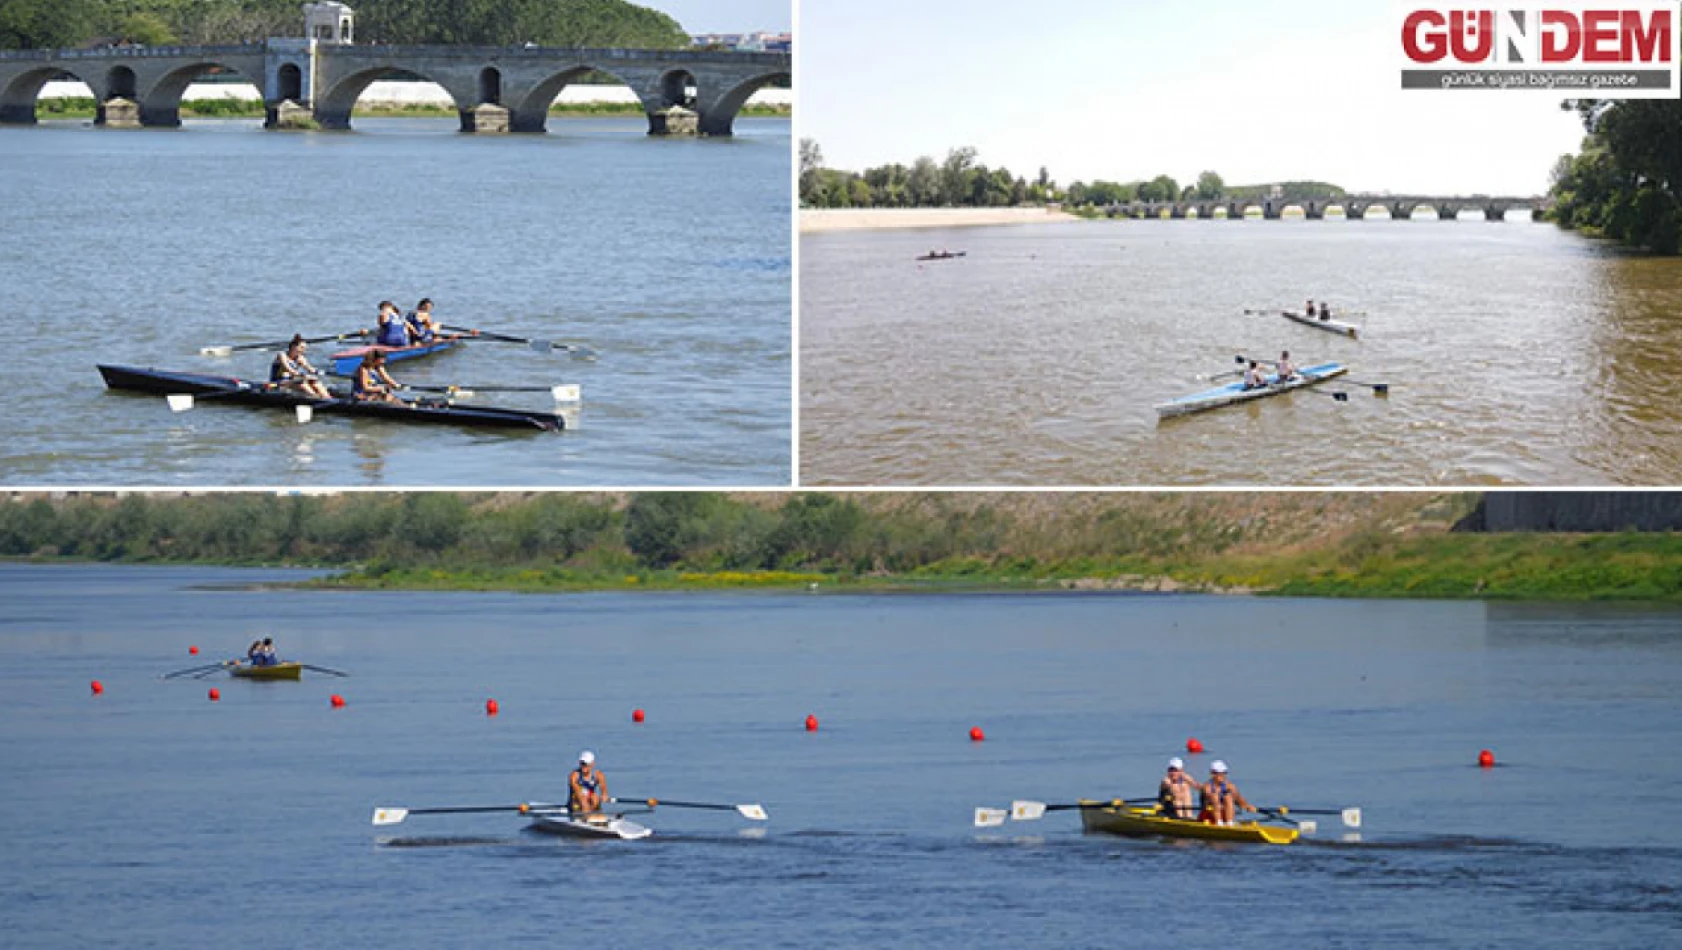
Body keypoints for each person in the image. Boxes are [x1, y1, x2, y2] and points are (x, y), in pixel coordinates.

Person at [269, 335, 331, 399]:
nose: (303, 350)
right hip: (278, 382)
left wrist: (316, 371)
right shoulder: (282, 355)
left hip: (292, 381)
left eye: (304, 348)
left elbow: (309, 368)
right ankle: (316, 398)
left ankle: (328, 398)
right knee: (302, 383)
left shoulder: (300, 358)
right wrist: (303, 376)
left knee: (315, 382)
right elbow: (288, 369)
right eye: (301, 347)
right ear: (293, 347)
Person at [1200, 760, 1255, 826]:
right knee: (1215, 796)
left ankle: (1229, 823)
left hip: (1224, 815)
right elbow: (1211, 798)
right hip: (1208, 815)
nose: (1222, 775)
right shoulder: (1207, 787)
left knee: (1228, 797)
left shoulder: (1230, 786)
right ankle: (1219, 823)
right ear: (1213, 774)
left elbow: (1239, 800)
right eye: (1219, 773)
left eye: (1224, 772)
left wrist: (1247, 806)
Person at [569, 751, 608, 817]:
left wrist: (604, 796)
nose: (584, 766)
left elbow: (604, 790)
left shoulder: (599, 775)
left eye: (586, 764)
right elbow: (579, 793)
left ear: (592, 764)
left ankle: (595, 817)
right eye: (582, 763)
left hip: (590, 800)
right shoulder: (574, 775)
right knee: (584, 800)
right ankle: (587, 818)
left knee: (595, 798)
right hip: (576, 802)